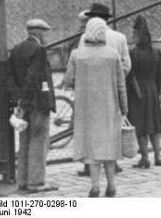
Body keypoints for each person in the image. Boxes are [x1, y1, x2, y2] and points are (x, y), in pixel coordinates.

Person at [63, 18, 127, 198]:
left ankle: (95, 186)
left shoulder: (77, 54)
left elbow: (68, 80)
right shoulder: (113, 54)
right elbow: (121, 85)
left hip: (86, 108)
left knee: (91, 148)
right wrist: (124, 107)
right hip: (109, 106)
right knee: (109, 146)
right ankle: (112, 185)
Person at [76, 3, 130, 178]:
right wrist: (112, 79)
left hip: (89, 93)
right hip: (110, 92)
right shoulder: (120, 38)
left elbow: (79, 65)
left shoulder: (84, 38)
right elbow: (126, 66)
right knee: (109, 129)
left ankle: (89, 167)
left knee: (90, 130)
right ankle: (112, 165)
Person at [7, 19, 58, 194]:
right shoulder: (39, 50)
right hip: (37, 102)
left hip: (24, 103)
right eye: (45, 33)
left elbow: (10, 78)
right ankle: (36, 182)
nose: (46, 37)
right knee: (39, 140)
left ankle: (22, 180)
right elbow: (33, 76)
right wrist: (27, 101)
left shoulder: (16, 49)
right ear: (39, 33)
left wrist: (19, 102)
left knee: (25, 141)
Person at [127, 16, 161, 168]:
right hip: (153, 90)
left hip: (138, 93)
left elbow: (130, 76)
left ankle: (145, 157)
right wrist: (157, 91)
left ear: (137, 34)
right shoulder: (157, 52)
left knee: (140, 126)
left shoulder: (133, 53)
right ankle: (158, 155)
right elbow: (159, 76)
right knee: (154, 124)